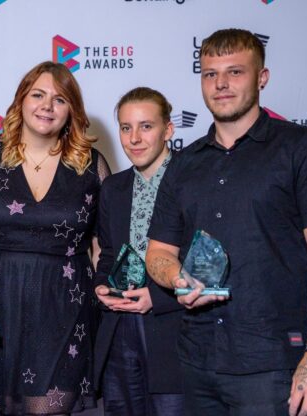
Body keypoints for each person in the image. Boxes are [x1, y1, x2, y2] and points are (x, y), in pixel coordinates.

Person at [145, 28, 307, 416]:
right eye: (209, 74)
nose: (220, 84)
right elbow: (159, 252)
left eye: (235, 72)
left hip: (276, 362)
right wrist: (177, 278)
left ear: (262, 78)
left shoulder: (303, 147)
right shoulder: (184, 165)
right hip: (197, 361)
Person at [0, 61, 110, 414]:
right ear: (21, 101)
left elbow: (104, 244)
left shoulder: (92, 165)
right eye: (38, 95)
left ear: (71, 111)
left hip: (65, 309)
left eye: (60, 100)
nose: (47, 106)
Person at [94, 87, 184, 416]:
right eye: (126, 127)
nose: (134, 138)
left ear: (168, 130)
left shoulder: (192, 182)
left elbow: (207, 264)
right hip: (119, 329)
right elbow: (107, 253)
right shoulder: (113, 188)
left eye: (146, 126)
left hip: (173, 328)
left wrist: (158, 298)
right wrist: (102, 287)